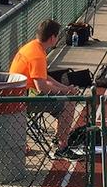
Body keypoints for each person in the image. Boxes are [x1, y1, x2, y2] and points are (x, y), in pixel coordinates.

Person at [9, 19, 80, 158]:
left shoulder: (32, 47)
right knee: (69, 102)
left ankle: (59, 137)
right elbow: (41, 87)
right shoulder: (37, 55)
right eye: (58, 36)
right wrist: (66, 92)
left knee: (65, 97)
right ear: (52, 38)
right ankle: (62, 146)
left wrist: (64, 88)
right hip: (22, 99)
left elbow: (44, 77)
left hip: (19, 94)